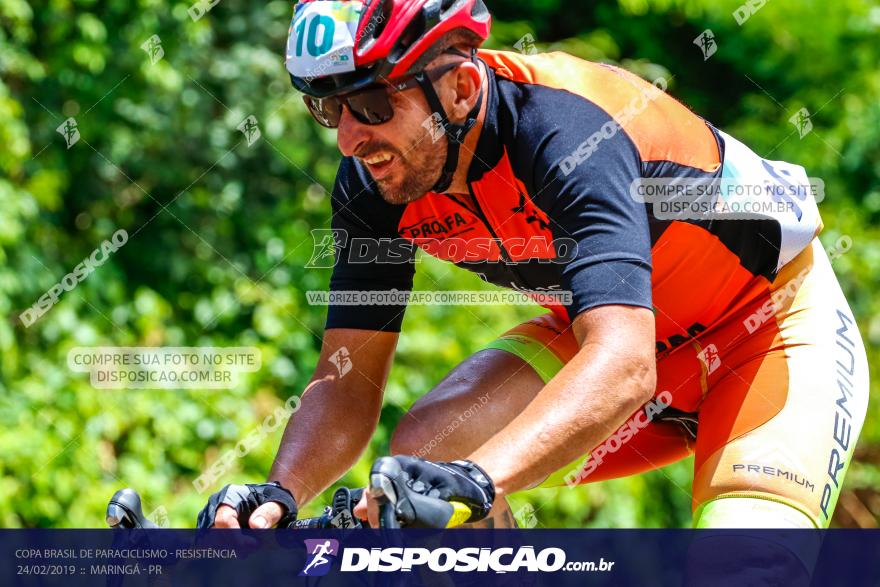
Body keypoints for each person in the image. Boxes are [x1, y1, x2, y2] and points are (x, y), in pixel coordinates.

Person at [199, 0, 869, 544]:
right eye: (328, 108)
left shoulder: (568, 132)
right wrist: (279, 493)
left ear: (460, 87)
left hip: (764, 331)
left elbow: (625, 364)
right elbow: (346, 381)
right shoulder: (376, 183)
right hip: (608, 342)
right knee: (425, 455)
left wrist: (479, 480)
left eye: (373, 105)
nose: (349, 138)